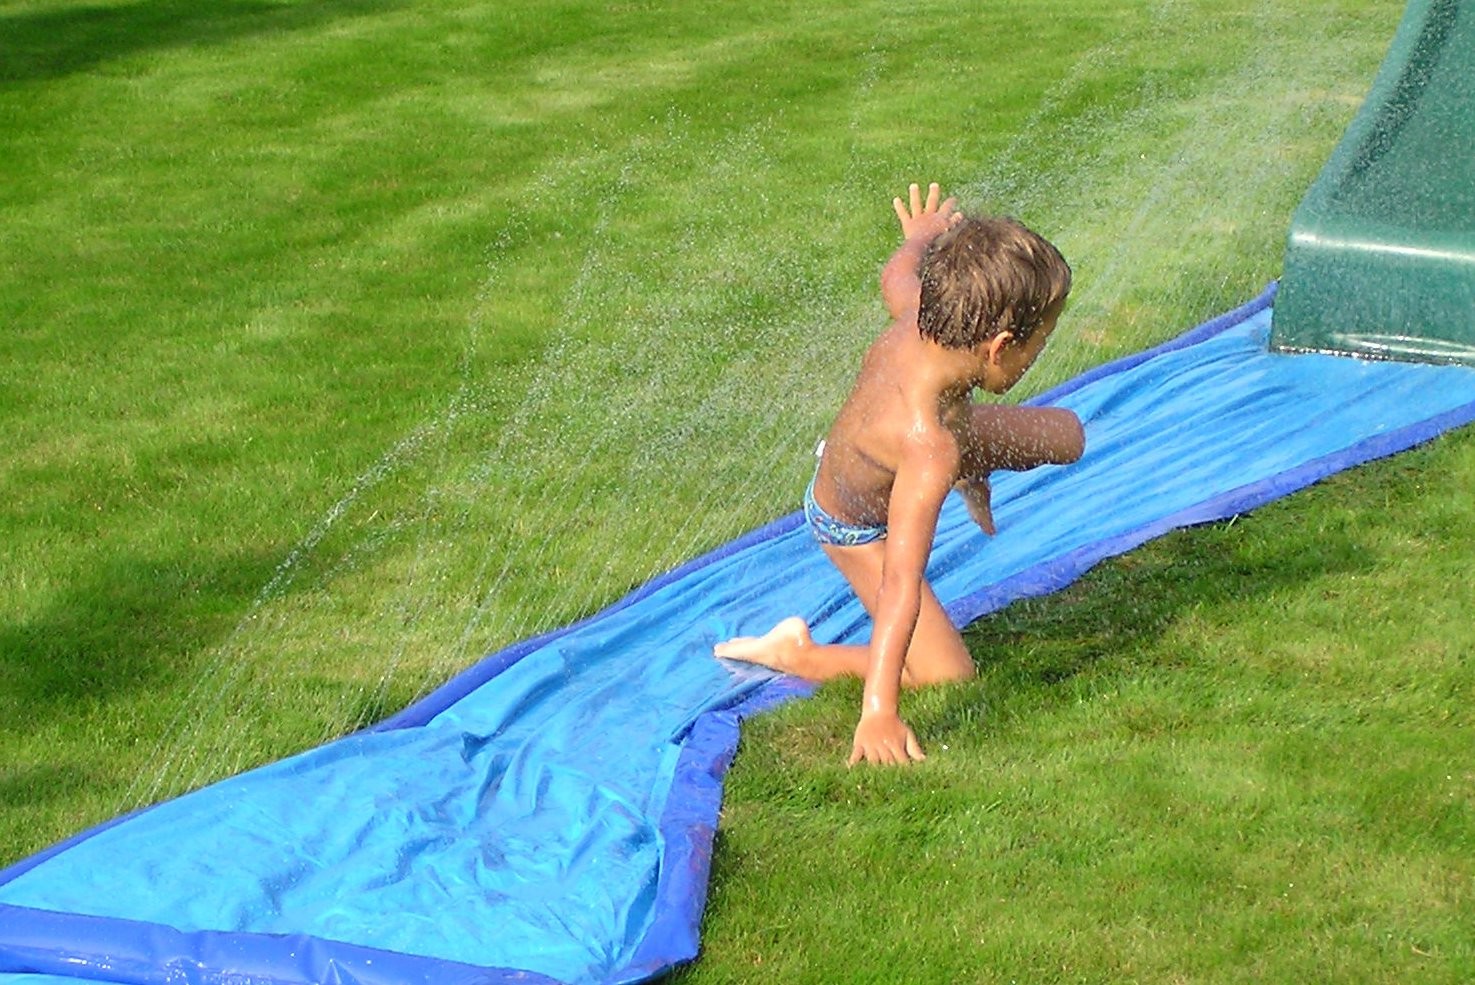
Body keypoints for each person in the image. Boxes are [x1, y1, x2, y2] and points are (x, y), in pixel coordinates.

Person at [714, 183, 1085, 766]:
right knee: (946, 675)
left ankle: (975, 464)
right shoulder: (929, 446)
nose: (1039, 352)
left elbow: (896, 273)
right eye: (1040, 342)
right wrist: (879, 709)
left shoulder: (922, 316)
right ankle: (798, 652)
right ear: (999, 347)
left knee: (1068, 436)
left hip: (917, 445)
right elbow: (900, 584)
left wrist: (919, 238)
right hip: (853, 525)